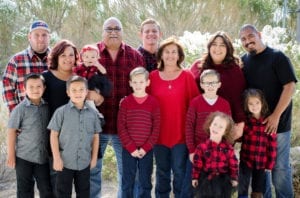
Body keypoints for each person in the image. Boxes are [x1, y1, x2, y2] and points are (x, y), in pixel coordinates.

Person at [239, 24, 297, 198]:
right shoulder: (244, 61)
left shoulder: (277, 57)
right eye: (243, 39)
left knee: (279, 168)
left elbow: (290, 87)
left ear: (259, 34)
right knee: (261, 170)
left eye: (250, 36)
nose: (248, 41)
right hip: (256, 129)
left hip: (278, 125)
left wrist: (275, 116)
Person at [90, 17, 145, 198]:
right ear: (102, 32)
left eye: (117, 28)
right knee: (93, 172)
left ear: (122, 31)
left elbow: (143, 89)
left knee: (128, 175)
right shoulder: (91, 54)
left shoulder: (134, 56)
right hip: (96, 126)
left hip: (125, 128)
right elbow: (79, 81)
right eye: (109, 29)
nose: (113, 32)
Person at [148, 36, 199, 197]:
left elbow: (194, 106)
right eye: (167, 52)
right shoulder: (153, 77)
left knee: (180, 172)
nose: (170, 55)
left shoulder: (187, 76)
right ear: (161, 55)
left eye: (174, 52)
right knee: (162, 172)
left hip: (181, 135)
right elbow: (145, 103)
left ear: (179, 55)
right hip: (159, 135)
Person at [48, 76, 101, 197]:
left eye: (81, 89)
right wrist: (56, 158)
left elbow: (96, 137)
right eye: (74, 90)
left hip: (84, 162)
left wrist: (93, 159)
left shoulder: (93, 114)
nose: (78, 93)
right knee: (63, 192)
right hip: (65, 162)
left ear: (86, 92)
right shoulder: (60, 112)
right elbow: (53, 135)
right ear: (68, 92)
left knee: (84, 192)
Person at [190, 31, 246, 140]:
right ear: (209, 47)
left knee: (220, 156)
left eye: (222, 45)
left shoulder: (234, 69)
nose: (217, 48)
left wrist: (240, 123)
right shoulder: (198, 66)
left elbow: (239, 98)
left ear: (228, 48)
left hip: (223, 126)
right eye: (214, 44)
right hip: (200, 123)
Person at [184, 69, 231, 196]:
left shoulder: (224, 104)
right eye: (207, 83)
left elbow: (228, 130)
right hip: (198, 152)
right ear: (201, 84)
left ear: (219, 84)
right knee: (191, 188)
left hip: (217, 154)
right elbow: (189, 127)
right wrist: (192, 150)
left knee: (216, 189)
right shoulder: (195, 102)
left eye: (213, 83)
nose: (210, 86)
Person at [42, 39, 79, 197]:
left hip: (76, 138)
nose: (68, 58)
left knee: (74, 184)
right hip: (53, 137)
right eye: (63, 55)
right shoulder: (46, 78)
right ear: (56, 57)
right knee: (55, 183)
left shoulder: (79, 78)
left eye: (71, 55)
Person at [6, 73, 53, 198]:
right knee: (24, 189)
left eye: (38, 86)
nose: (35, 90)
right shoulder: (20, 109)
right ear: (24, 89)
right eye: (31, 87)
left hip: (42, 157)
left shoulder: (47, 107)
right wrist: (11, 155)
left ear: (44, 88)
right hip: (23, 157)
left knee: (46, 189)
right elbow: (11, 131)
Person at [117, 67, 160, 198]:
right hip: (129, 149)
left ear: (147, 82)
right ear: (130, 83)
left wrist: (146, 148)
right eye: (135, 82)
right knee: (127, 180)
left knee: (145, 180)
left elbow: (156, 128)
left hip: (146, 150)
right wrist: (131, 147)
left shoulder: (153, 103)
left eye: (141, 82)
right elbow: (121, 127)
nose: (138, 85)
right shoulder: (126, 102)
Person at [2, 20, 51, 112]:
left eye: (44, 35)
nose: (41, 39)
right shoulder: (17, 60)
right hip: (26, 119)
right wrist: (15, 113)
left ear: (49, 37)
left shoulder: (58, 59)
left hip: (53, 118)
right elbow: (7, 87)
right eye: (36, 35)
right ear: (29, 37)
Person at [238, 88, 277, 198]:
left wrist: (270, 164)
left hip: (261, 162)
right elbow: (239, 137)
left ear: (262, 103)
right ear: (246, 105)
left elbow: (272, 145)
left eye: (257, 103)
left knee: (258, 189)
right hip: (246, 160)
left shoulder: (268, 122)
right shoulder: (246, 121)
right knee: (242, 186)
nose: (254, 106)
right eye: (250, 104)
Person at [192, 111, 238, 198]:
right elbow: (197, 164)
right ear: (210, 125)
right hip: (206, 180)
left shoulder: (228, 148)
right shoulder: (201, 147)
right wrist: (195, 177)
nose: (216, 128)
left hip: (223, 181)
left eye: (221, 127)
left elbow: (233, 164)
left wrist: (234, 178)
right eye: (215, 124)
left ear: (225, 131)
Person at [74, 44, 112, 123]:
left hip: (92, 87)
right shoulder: (80, 67)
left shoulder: (96, 67)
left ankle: (95, 114)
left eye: (93, 57)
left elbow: (104, 72)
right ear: (82, 57)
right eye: (86, 57)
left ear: (97, 58)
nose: (89, 59)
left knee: (90, 101)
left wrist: (98, 64)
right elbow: (74, 74)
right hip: (82, 87)